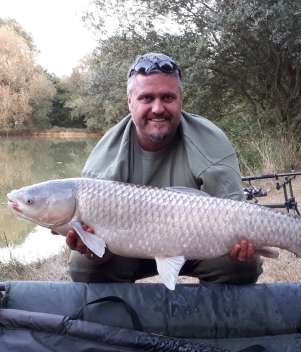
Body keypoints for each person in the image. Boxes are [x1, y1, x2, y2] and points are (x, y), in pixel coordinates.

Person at [61, 52, 263, 285]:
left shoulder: (211, 141)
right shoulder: (105, 158)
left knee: (242, 266)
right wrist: (89, 250)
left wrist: (239, 249)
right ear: (130, 101)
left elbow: (236, 215)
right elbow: (101, 250)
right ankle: (119, 319)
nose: (158, 108)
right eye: (146, 98)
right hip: (130, 248)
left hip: (201, 245)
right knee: (84, 266)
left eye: (167, 97)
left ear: (180, 99)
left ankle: (212, 320)